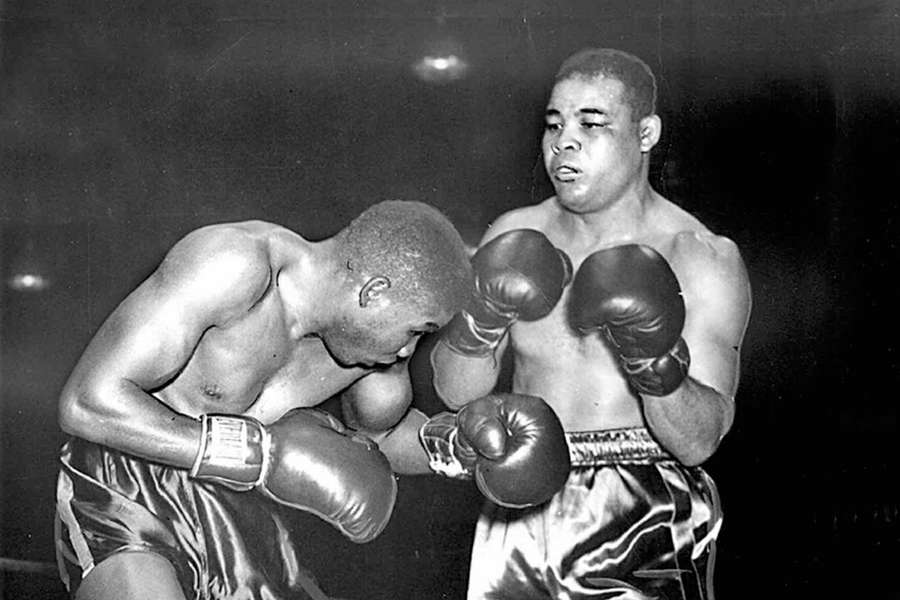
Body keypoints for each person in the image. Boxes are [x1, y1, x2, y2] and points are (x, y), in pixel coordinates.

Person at [54, 200, 571, 600]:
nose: (408, 349)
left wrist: (454, 446)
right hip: (124, 481)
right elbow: (88, 401)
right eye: (416, 329)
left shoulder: (369, 361)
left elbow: (384, 439)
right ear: (374, 292)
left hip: (242, 505)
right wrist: (256, 454)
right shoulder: (235, 265)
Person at [430, 48, 753, 599]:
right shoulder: (513, 232)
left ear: (646, 133)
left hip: (643, 511)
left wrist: (655, 362)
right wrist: (478, 325)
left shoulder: (700, 256)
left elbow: (701, 441)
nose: (564, 142)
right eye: (554, 124)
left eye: (592, 123)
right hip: (517, 493)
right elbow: (455, 392)